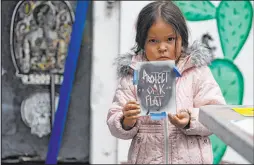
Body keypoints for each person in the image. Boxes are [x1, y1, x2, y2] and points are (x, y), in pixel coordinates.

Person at [107, 1, 226, 164]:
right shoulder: (132, 74)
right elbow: (115, 120)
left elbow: (216, 115)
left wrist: (190, 119)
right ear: (142, 43)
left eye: (170, 39)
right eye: (153, 41)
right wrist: (126, 120)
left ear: (182, 39)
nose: (162, 47)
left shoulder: (197, 72)